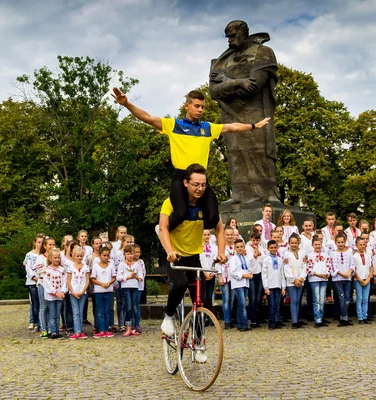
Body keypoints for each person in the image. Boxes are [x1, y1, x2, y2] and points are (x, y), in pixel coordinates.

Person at [112, 87, 269, 230]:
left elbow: (231, 127)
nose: (200, 110)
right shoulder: (174, 125)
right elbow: (147, 118)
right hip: (181, 176)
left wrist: (254, 126)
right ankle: (164, 231)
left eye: (202, 107)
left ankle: (194, 236)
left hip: (200, 178)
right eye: (197, 106)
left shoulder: (207, 128)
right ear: (187, 106)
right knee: (180, 214)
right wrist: (126, 104)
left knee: (213, 218)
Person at [209, 20, 279, 204]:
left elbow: (253, 87)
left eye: (232, 35)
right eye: (227, 37)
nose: (229, 40)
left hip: (257, 112)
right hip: (230, 113)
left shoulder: (263, 53)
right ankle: (239, 194)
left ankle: (268, 194)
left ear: (244, 33)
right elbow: (214, 91)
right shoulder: (222, 60)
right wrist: (236, 82)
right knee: (235, 154)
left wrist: (226, 81)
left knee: (260, 152)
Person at [158, 163, 226, 345]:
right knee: (179, 284)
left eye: (203, 185)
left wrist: (221, 252)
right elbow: (163, 228)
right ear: (186, 183)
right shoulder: (170, 202)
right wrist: (170, 251)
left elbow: (220, 229)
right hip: (174, 256)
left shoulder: (206, 205)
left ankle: (198, 341)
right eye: (196, 184)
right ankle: (169, 317)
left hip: (194, 257)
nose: (200, 188)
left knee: (202, 298)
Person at [117, 245, 144, 337]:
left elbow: (141, 277)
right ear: (124, 254)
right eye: (128, 254)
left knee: (133, 307)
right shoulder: (122, 264)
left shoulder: (137, 265)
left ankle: (132, 327)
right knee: (128, 307)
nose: (130, 256)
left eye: (131, 253)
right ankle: (128, 327)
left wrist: (136, 276)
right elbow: (118, 277)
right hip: (126, 288)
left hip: (135, 287)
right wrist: (128, 277)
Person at [306, 235, 332, 328]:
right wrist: (318, 274)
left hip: (324, 279)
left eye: (319, 244)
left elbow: (329, 266)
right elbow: (309, 269)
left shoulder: (325, 255)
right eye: (315, 244)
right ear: (312, 245)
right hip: (314, 280)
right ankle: (317, 319)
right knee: (316, 300)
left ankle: (321, 317)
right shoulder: (310, 256)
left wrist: (326, 273)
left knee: (321, 299)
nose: (317, 246)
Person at [91, 246, 116, 338]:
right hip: (99, 291)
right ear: (100, 256)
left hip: (108, 290)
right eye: (104, 255)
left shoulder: (111, 266)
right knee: (100, 311)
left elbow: (114, 277)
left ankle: (107, 329)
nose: (106, 257)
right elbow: (93, 279)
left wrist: (109, 282)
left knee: (107, 310)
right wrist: (101, 283)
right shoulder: (96, 266)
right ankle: (101, 329)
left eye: (107, 255)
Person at [330, 232, 354, 327]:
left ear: (345, 242)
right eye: (338, 242)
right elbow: (332, 266)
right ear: (335, 243)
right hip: (338, 279)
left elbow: (352, 264)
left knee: (347, 298)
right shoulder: (333, 254)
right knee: (341, 297)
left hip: (347, 278)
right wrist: (341, 273)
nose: (340, 244)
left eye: (342, 242)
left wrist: (349, 272)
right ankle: (344, 317)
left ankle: (343, 316)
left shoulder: (349, 253)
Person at [229, 239, 253, 332]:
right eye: (237, 247)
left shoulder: (246, 258)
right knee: (242, 303)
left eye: (241, 247)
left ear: (244, 247)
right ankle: (244, 324)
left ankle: (239, 323)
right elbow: (233, 272)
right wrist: (244, 275)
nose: (239, 248)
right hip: (238, 283)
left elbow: (248, 269)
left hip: (245, 283)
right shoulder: (233, 259)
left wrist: (250, 274)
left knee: (240, 304)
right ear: (235, 248)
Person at [42, 248, 67, 339]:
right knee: (52, 314)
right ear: (50, 258)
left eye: (58, 258)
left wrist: (63, 291)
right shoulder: (47, 270)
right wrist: (55, 292)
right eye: (55, 258)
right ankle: (53, 331)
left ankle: (56, 330)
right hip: (51, 296)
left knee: (57, 314)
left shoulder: (62, 270)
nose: (57, 260)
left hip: (60, 295)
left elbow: (65, 281)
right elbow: (46, 283)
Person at [283, 235, 307, 329]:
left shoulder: (302, 253)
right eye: (292, 243)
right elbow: (286, 268)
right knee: (294, 300)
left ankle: (298, 320)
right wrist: (294, 279)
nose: (294, 244)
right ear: (289, 243)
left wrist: (301, 278)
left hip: (300, 280)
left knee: (298, 301)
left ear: (298, 243)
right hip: (291, 281)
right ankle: (294, 321)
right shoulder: (286, 254)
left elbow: (305, 266)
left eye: (295, 243)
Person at [67, 246, 90, 340]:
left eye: (81, 256)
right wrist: (72, 291)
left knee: (80, 311)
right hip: (73, 292)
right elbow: (68, 280)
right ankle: (77, 331)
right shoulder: (70, 267)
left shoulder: (86, 267)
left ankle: (80, 330)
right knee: (75, 312)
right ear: (74, 256)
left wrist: (83, 291)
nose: (79, 258)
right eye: (77, 256)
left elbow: (87, 280)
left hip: (82, 292)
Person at [262, 240, 286, 330]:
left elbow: (282, 274)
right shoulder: (266, 260)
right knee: (271, 305)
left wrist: (283, 287)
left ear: (277, 248)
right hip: (270, 286)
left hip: (278, 285)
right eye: (271, 248)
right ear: (268, 248)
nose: (273, 249)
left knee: (277, 304)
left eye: (275, 247)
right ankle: (271, 322)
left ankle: (277, 320)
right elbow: (264, 274)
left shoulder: (280, 260)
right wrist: (266, 287)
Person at [35, 237, 55, 337]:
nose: (52, 247)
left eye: (53, 245)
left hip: (52, 285)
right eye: (50, 245)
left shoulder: (55, 256)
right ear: (45, 246)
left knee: (51, 307)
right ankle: (43, 328)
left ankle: (51, 327)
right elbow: (38, 271)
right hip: (43, 284)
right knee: (43, 307)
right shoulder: (41, 257)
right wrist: (48, 269)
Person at [217, 226, 236, 329]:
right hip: (224, 276)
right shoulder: (221, 247)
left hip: (234, 277)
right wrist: (219, 276)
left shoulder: (236, 247)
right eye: (227, 234)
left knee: (232, 299)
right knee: (226, 298)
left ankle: (230, 318)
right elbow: (217, 263)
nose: (229, 236)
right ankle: (227, 321)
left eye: (231, 234)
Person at [245, 232, 265, 329]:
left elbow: (263, 261)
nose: (255, 242)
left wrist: (258, 252)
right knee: (252, 297)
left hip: (259, 274)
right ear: (250, 239)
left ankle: (257, 319)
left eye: (257, 240)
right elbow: (249, 262)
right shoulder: (247, 248)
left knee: (258, 298)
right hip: (251, 275)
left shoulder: (261, 248)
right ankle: (252, 320)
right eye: (253, 240)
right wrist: (255, 255)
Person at [24, 234, 43, 331]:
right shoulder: (29, 255)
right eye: (39, 242)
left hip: (42, 282)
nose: (40, 244)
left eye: (42, 242)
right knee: (35, 303)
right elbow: (28, 267)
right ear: (35, 243)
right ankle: (35, 322)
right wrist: (34, 277)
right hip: (32, 282)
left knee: (42, 303)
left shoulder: (44, 255)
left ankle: (42, 322)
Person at [353, 237, 373, 325]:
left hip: (367, 279)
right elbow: (354, 269)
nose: (362, 246)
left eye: (363, 244)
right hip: (358, 279)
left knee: (365, 299)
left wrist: (369, 278)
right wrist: (359, 279)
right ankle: (360, 317)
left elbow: (371, 267)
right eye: (360, 245)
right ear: (356, 245)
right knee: (360, 298)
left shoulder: (368, 256)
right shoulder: (354, 256)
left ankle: (365, 316)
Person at [200, 229, 218, 315]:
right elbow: (199, 261)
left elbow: (216, 261)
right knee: (203, 296)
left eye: (208, 235)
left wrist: (212, 273)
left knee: (209, 296)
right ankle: (202, 315)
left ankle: (209, 316)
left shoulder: (215, 248)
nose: (207, 237)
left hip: (211, 274)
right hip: (202, 274)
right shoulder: (199, 248)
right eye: (205, 235)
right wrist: (204, 272)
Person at [133, 244, 146, 333]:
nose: (137, 254)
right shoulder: (128, 262)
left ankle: (137, 323)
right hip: (130, 285)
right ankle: (130, 323)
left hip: (139, 286)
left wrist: (137, 277)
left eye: (138, 252)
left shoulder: (141, 262)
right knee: (130, 305)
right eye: (135, 252)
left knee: (136, 305)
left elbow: (143, 273)